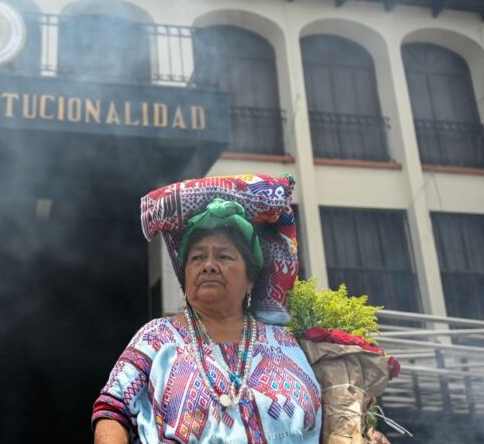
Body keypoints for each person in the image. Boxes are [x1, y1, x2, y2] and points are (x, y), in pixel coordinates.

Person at [92, 175, 391, 443]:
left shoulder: (286, 344)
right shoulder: (157, 337)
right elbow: (113, 408)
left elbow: (330, 423)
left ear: (251, 279)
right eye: (197, 258)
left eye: (224, 256)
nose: (208, 265)